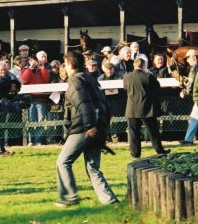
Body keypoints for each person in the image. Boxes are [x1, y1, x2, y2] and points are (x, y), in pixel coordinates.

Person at [55, 51, 118, 207]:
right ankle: (110, 200)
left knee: (63, 162)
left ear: (70, 64)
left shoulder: (75, 80)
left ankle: (69, 197)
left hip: (83, 128)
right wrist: (102, 129)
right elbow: (104, 105)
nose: (64, 67)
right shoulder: (91, 78)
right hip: (98, 126)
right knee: (92, 167)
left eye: (65, 63)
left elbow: (84, 105)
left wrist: (90, 127)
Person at [123, 58, 170, 158]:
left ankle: (135, 153)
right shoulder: (148, 76)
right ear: (143, 65)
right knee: (153, 131)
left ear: (134, 65)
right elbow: (157, 87)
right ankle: (160, 151)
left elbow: (126, 88)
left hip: (131, 108)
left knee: (133, 132)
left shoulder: (126, 76)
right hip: (146, 109)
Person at [21, 57, 51, 146]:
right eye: (31, 61)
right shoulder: (26, 70)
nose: (33, 63)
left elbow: (47, 80)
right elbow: (25, 80)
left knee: (41, 121)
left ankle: (39, 140)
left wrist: (42, 68)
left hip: (41, 99)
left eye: (35, 61)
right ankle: (31, 140)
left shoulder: (42, 70)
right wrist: (30, 68)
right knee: (30, 120)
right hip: (30, 100)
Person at [179, 49, 198, 145]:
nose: (187, 60)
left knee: (194, 117)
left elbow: (191, 83)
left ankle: (188, 139)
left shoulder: (194, 67)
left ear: (194, 57)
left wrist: (184, 92)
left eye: (188, 58)